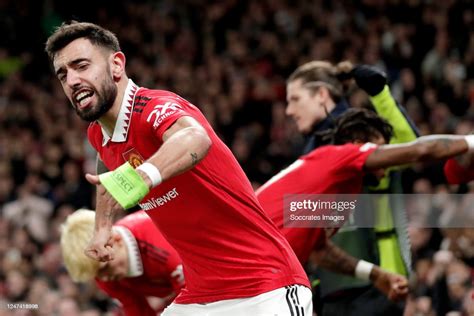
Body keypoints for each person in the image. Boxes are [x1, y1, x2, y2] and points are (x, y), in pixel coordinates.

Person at [45, 21, 312, 315]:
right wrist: (103, 224)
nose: (71, 80)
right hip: (202, 296)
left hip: (265, 284)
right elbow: (105, 161)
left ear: (117, 65)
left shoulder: (154, 107)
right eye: (63, 74)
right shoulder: (99, 135)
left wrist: (142, 177)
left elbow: (194, 137)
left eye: (81, 66)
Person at [257, 108, 474, 313]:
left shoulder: (342, 189)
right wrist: (470, 141)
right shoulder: (337, 156)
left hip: (254, 271)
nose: (385, 168)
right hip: (255, 269)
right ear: (359, 143)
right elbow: (420, 150)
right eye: (381, 148)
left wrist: (374, 274)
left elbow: (318, 250)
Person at [285, 60, 418, 315]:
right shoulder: (313, 147)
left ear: (322, 95)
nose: (289, 110)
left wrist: (380, 95)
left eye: (295, 98)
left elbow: (411, 148)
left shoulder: (361, 134)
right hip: (332, 285)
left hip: (377, 282)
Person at [60, 209, 184, 315]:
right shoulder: (105, 274)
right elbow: (137, 311)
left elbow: (195, 303)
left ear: (116, 239)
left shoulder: (161, 247)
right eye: (96, 275)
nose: (105, 279)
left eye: (105, 268)